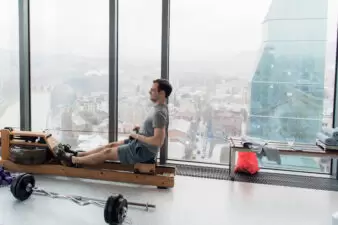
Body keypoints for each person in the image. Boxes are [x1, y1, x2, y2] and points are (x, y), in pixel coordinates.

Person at [56, 79, 172, 167]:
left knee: (107, 152)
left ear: (162, 93)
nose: (149, 91)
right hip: (139, 144)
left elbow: (158, 141)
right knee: (109, 145)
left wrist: (137, 136)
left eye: (153, 90)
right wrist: (140, 129)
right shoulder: (158, 107)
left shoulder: (159, 112)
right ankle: (78, 155)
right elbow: (153, 129)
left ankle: (73, 161)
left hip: (143, 151)